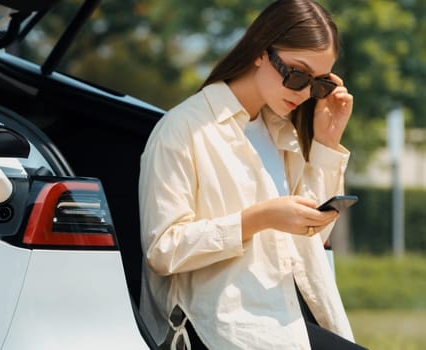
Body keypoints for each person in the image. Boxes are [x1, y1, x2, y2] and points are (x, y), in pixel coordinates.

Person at [138, 0, 367, 349]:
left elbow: (313, 236)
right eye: (297, 74)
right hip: (225, 329)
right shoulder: (183, 129)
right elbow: (163, 250)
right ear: (261, 51)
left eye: (318, 84)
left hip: (291, 320)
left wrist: (326, 141)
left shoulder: (282, 131)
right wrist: (259, 218)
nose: (305, 93)